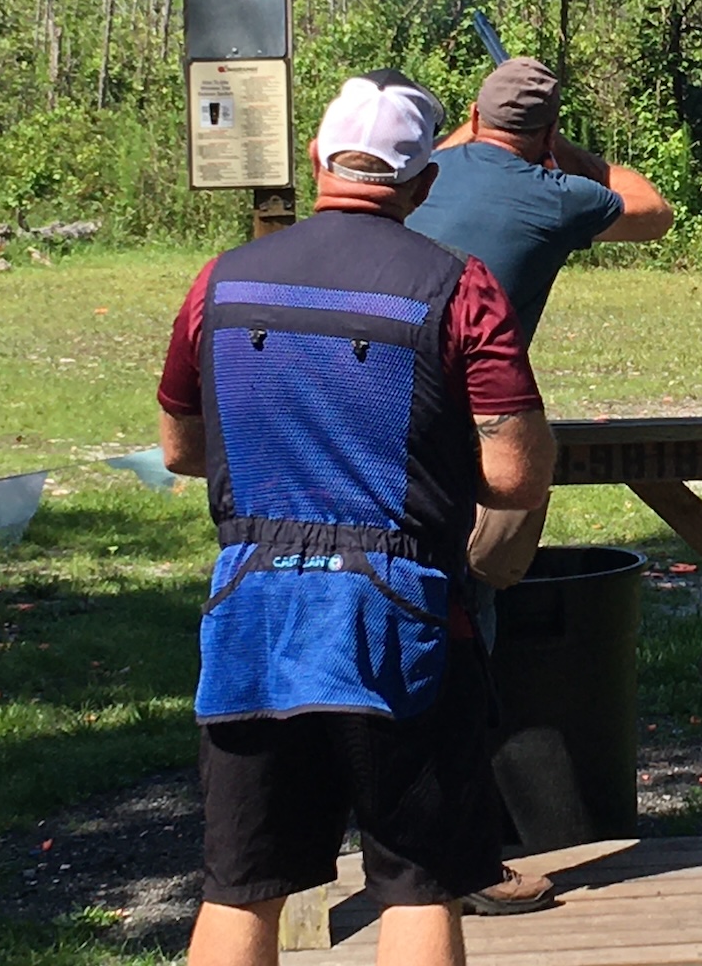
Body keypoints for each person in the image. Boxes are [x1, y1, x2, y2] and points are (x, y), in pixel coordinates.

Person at [156, 69, 557, 966]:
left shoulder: (220, 282)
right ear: (422, 184)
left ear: (316, 159)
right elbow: (516, 475)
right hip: (402, 620)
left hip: (254, 616)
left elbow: (181, 449)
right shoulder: (462, 288)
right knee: (418, 887)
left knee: (239, 889)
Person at [401, 55, 672, 913]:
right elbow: (653, 210)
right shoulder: (561, 192)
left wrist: (483, 133)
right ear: (546, 135)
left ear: (474, 121)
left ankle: (405, 838)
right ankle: (461, 858)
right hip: (469, 437)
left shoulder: (425, 172)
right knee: (464, 636)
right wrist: (574, 155)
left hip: (370, 430)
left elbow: (450, 147)